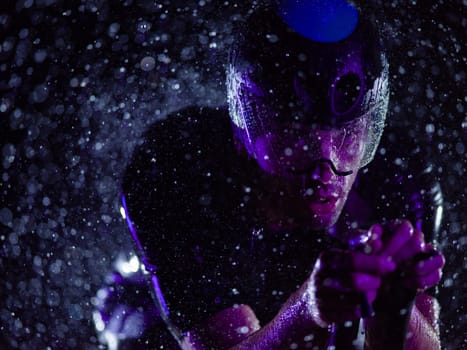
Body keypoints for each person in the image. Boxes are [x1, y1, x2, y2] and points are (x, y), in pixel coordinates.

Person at [93, 2, 445, 349]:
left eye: (347, 137)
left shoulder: (397, 172)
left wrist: (395, 306)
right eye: (296, 140)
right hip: (150, 317)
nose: (325, 173)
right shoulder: (176, 169)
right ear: (243, 133)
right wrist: (306, 312)